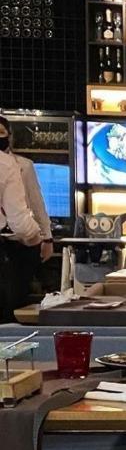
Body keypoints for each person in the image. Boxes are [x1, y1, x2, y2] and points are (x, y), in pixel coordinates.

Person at [0, 114, 48, 322]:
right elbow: (20, 222)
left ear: (10, 136)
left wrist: (47, 236)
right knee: (9, 307)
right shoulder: (7, 165)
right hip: (13, 244)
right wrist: (36, 237)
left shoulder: (23, 165)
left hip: (12, 244)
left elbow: (36, 202)